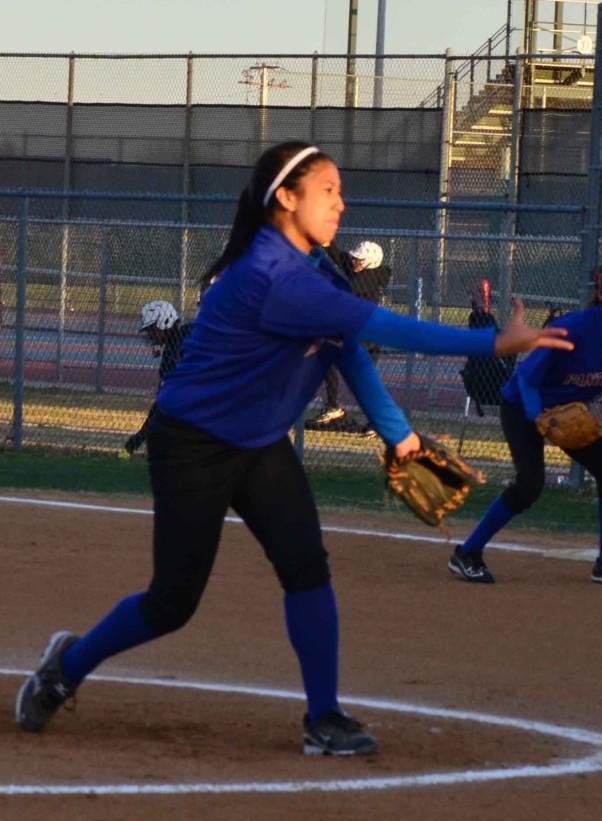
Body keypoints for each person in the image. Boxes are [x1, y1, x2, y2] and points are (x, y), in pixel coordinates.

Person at [15, 141, 572, 755]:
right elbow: (387, 330)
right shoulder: (268, 277)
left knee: (306, 567)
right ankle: (66, 666)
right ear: (286, 198)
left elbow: (347, 350)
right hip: (193, 445)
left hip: (259, 444)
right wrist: (496, 344)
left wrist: (401, 436)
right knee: (172, 602)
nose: (342, 202)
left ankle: (324, 717)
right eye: (328, 190)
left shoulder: (317, 273)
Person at [449, 256, 602, 588]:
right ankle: (467, 553)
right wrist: (537, 415)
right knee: (529, 486)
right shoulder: (574, 327)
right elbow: (526, 378)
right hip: (524, 404)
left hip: (566, 412)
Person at [306, 239, 392, 434]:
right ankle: (333, 406)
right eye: (355, 259)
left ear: (371, 262)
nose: (355, 262)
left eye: (359, 260)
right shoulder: (359, 271)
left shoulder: (369, 278)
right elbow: (342, 259)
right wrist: (328, 244)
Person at [123, 300, 193, 455]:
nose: (150, 335)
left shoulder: (172, 355)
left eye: (152, 330)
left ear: (164, 323)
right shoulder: (188, 334)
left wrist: (140, 437)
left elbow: (163, 403)